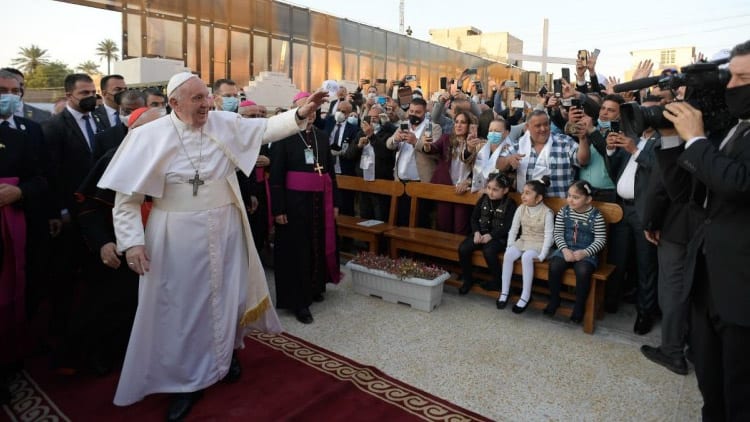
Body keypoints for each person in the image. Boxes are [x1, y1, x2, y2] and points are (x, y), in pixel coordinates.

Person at [97, 72, 326, 421]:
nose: (207, 104)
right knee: (183, 308)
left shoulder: (222, 122)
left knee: (227, 296)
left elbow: (264, 129)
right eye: (197, 99)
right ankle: (185, 382)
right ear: (174, 103)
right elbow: (126, 199)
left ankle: (226, 354)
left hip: (226, 228)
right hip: (175, 236)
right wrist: (131, 244)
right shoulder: (149, 136)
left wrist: (298, 114)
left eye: (207, 96)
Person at [658, 40, 750, 420]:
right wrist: (668, 136)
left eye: (743, 78)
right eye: (731, 77)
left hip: (742, 292)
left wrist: (695, 139)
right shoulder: (735, 129)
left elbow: (739, 184)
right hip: (708, 281)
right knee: (712, 389)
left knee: (740, 395)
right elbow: (686, 192)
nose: (732, 87)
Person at [72, 107, 161, 376]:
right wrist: (102, 243)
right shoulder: (114, 159)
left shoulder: (172, 159)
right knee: (113, 307)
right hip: (120, 247)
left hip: (160, 246)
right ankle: (103, 355)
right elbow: (87, 206)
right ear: (133, 132)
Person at [269, 98, 341, 325]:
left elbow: (331, 173)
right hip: (293, 203)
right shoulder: (284, 137)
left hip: (319, 201)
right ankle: (297, 301)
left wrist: (335, 203)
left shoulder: (321, 136)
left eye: (314, 111)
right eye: (306, 110)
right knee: (296, 250)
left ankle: (315, 286)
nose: (310, 115)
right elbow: (276, 176)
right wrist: (278, 209)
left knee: (316, 243)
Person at [544, 180, 607, 323]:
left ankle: (579, 306)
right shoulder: (564, 211)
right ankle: (554, 299)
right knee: (554, 266)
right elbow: (558, 233)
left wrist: (585, 252)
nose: (570, 200)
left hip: (586, 252)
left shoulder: (596, 216)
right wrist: (564, 250)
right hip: (565, 248)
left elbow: (600, 240)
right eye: (569, 195)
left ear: (588, 199)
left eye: (576, 197)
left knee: (583, 271)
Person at [497, 110, 585, 198]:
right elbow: (498, 164)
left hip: (560, 206)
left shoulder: (565, 142)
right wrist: (508, 160)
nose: (543, 129)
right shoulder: (519, 145)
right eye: (538, 126)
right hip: (528, 207)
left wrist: (583, 139)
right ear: (527, 127)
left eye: (546, 124)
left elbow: (582, 160)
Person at [497, 177, 554, 313]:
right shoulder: (521, 209)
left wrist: (542, 255)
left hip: (539, 244)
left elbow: (549, 236)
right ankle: (505, 291)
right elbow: (514, 229)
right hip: (524, 240)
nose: (523, 196)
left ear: (539, 198)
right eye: (523, 192)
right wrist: (510, 246)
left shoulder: (547, 213)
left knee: (526, 257)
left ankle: (525, 295)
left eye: (528, 193)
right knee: (509, 254)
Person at [457, 173, 516, 294]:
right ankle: (468, 279)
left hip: (498, 237)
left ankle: (497, 281)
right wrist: (476, 232)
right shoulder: (483, 199)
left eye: (495, 189)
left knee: (489, 251)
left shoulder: (510, 204)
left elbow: (508, 226)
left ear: (505, 190)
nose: (490, 192)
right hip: (481, 233)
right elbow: (474, 218)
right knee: (463, 248)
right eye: (488, 188)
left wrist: (491, 236)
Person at [423, 110, 479, 234]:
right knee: (443, 225)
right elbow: (433, 148)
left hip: (464, 190)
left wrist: (469, 181)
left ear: (469, 125)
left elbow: (479, 169)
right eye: (456, 122)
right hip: (445, 187)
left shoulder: (477, 143)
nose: (458, 125)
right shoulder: (446, 139)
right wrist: (427, 145)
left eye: (463, 122)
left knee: (460, 228)